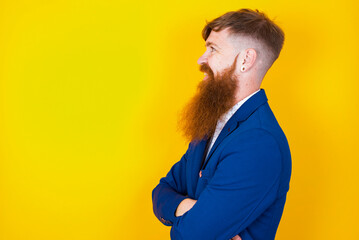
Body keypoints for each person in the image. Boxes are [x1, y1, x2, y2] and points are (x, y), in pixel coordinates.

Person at [152, 8, 292, 240]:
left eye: (213, 49)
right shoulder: (211, 123)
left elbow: (191, 235)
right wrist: (189, 208)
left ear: (245, 60)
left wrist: (185, 214)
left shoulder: (258, 142)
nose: (201, 59)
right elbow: (161, 191)